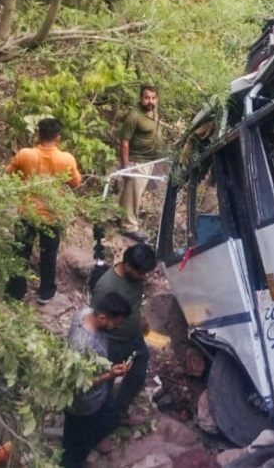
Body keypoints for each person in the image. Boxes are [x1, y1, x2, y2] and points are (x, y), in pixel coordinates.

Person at [6, 117, 82, 303]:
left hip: (27, 212)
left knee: (21, 253)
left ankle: (16, 291)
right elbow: (75, 182)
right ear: (58, 138)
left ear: (38, 135)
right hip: (52, 214)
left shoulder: (25, 155)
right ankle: (46, 291)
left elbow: (8, 175)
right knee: (49, 254)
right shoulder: (66, 159)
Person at [63, 292, 133, 468]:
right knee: (76, 448)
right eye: (115, 323)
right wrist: (111, 375)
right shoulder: (83, 344)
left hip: (100, 395)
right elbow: (80, 383)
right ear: (102, 318)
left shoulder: (86, 313)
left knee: (110, 418)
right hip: (83, 404)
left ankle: (92, 440)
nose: (117, 327)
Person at [91, 242, 157, 426]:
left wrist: (141, 320)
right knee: (104, 386)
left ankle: (119, 413)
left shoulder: (136, 280)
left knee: (138, 374)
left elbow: (135, 303)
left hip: (134, 339)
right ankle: (99, 427)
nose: (144, 277)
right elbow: (96, 319)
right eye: (141, 273)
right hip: (113, 342)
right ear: (127, 266)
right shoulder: (106, 287)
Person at [117, 84, 162, 242]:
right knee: (133, 193)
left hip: (149, 159)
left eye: (153, 98)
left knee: (131, 192)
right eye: (147, 97)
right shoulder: (134, 116)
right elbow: (124, 142)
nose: (150, 101)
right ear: (140, 98)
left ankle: (120, 216)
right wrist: (126, 165)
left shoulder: (153, 111)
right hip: (137, 160)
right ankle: (129, 226)